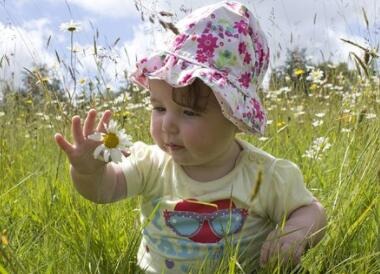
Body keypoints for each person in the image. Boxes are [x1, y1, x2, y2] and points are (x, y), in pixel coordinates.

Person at [55, 1, 327, 273]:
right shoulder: (151, 163)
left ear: (236, 117)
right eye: (159, 108)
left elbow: (312, 211)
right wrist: (88, 172)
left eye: (189, 112)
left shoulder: (265, 176)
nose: (168, 125)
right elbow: (104, 190)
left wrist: (294, 233)